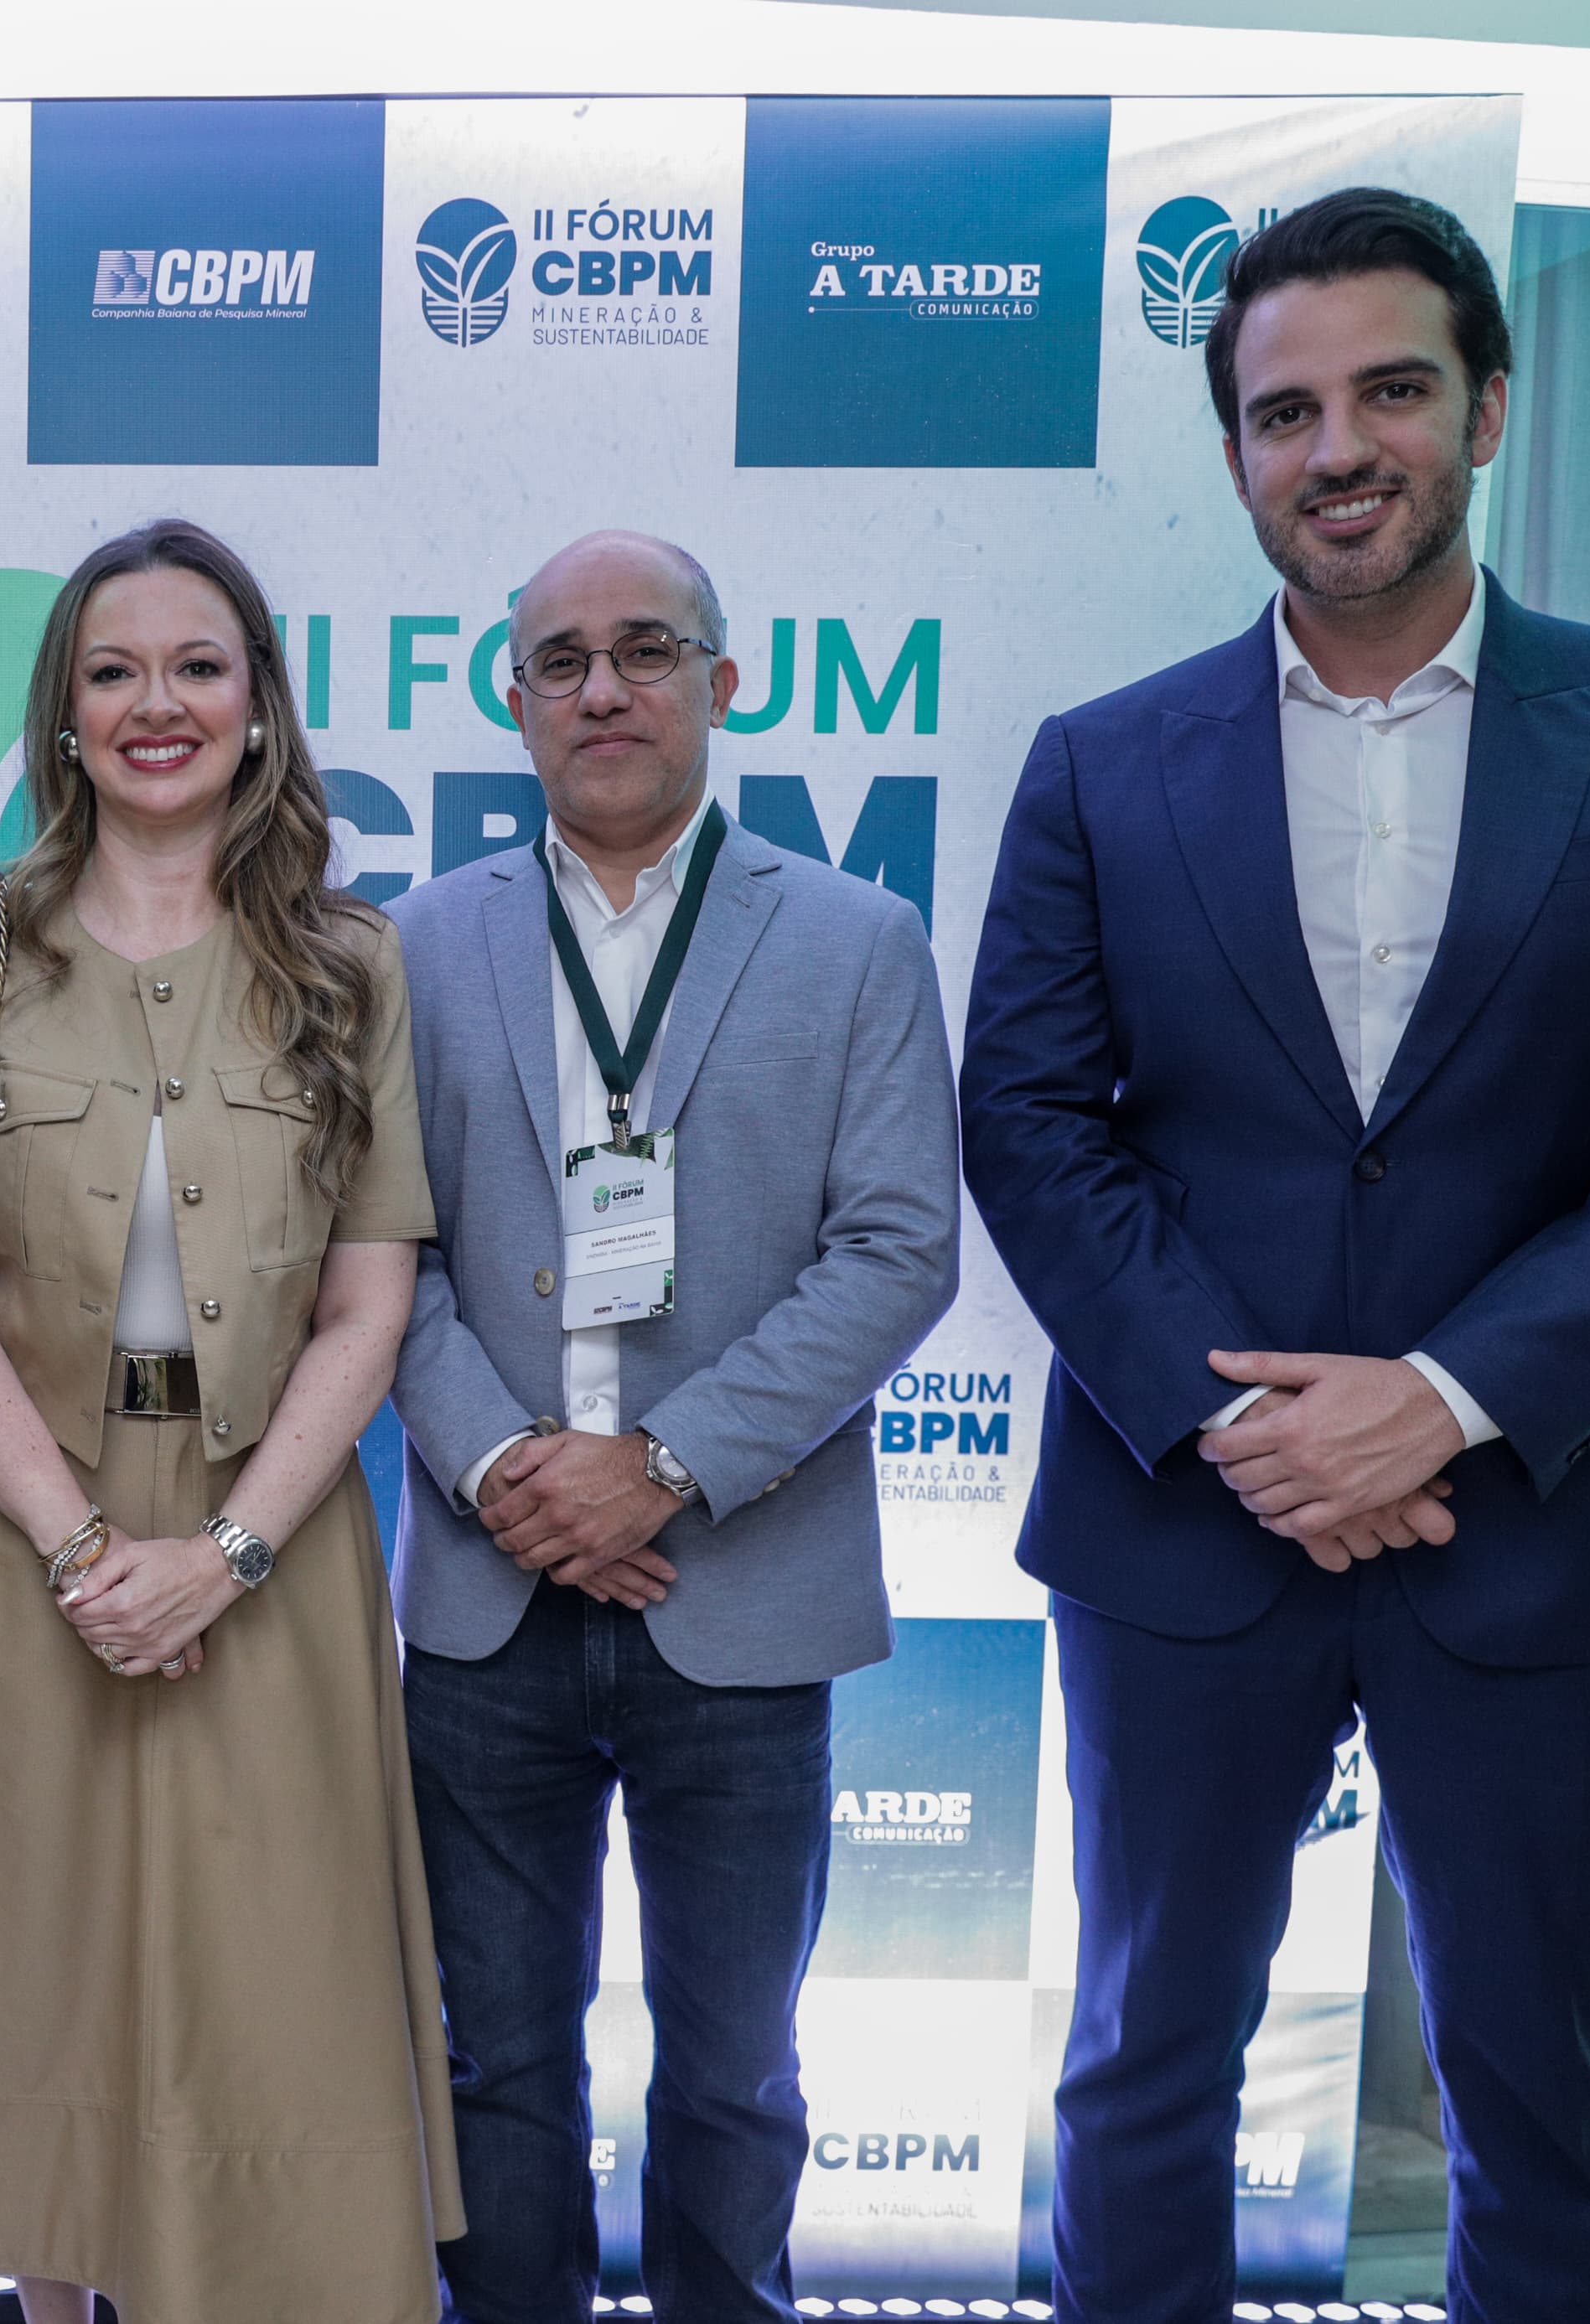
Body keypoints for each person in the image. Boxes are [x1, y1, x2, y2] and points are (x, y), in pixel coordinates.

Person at [961, 187, 1590, 2321]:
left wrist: (1438, 1402)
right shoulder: (1101, 766)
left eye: (1388, 390)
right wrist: (1246, 1425)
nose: (1335, 445)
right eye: (1282, 411)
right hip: (1190, 1525)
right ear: (1239, 451)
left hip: (1538, 1520)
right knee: (1142, 2065)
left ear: (1487, 410)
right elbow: (1027, 1122)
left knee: (1540, 2093)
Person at [0, 518, 461, 2324]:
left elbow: (371, 1299)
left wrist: (226, 1550)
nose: (154, 702)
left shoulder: (355, 961)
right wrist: (90, 1549)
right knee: (41, 1975)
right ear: (63, 716)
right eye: (113, 670)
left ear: (259, 708)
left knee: (271, 1995)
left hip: (275, 1555)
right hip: (34, 1553)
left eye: (197, 666)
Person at [386, 530, 960, 2323]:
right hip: (484, 1612)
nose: (602, 688)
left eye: (645, 649)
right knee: (492, 2070)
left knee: (732, 2080)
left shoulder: (857, 936)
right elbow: (367, 1256)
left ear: (726, 681)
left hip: (745, 1594)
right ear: (513, 701)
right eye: (558, 660)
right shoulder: (413, 939)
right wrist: (502, 1469)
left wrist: (664, 1461)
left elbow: (900, 1248)